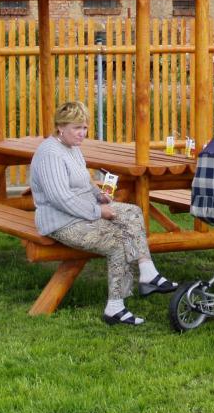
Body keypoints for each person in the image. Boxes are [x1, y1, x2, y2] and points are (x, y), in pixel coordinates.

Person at [29, 101, 177, 326]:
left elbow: (83, 182)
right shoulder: (50, 154)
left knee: (133, 212)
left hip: (81, 212)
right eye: (77, 128)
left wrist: (98, 195)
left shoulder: (72, 148)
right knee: (117, 240)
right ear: (60, 127)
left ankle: (148, 272)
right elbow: (61, 199)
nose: (82, 133)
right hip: (61, 222)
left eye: (85, 127)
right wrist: (98, 211)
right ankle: (115, 308)